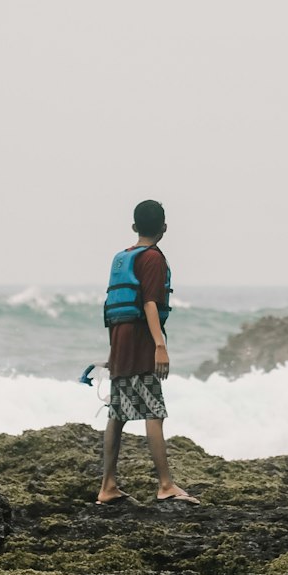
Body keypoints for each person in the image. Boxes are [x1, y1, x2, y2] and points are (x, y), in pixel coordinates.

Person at [97, 198, 199, 506]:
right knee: (154, 413)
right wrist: (159, 345)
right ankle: (166, 484)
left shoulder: (123, 257)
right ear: (164, 228)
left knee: (117, 414)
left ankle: (108, 485)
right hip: (142, 342)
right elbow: (150, 303)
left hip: (120, 342)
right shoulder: (153, 258)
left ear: (134, 227)